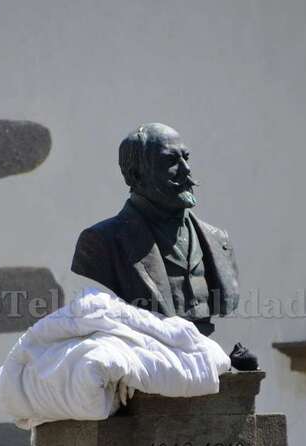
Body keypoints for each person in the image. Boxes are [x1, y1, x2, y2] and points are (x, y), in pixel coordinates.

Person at [71, 123, 240, 337]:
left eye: (186, 158)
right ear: (135, 175)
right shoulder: (101, 243)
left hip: (205, 351)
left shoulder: (218, 240)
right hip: (142, 352)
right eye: (170, 161)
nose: (186, 170)